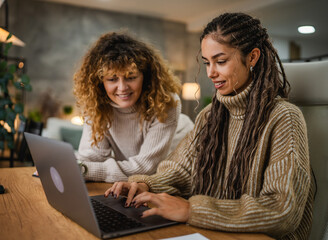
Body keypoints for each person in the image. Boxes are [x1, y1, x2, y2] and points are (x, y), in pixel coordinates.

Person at [104, 13, 314, 239]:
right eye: (207, 62)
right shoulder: (209, 116)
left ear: (252, 57)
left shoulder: (284, 117)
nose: (210, 73)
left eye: (221, 61)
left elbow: (282, 210)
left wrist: (192, 210)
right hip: (212, 231)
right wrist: (145, 185)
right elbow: (180, 171)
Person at [73, 32, 182, 182]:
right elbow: (91, 157)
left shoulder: (166, 102)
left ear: (145, 76)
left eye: (131, 77)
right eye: (112, 79)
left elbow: (146, 168)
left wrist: (83, 170)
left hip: (170, 178)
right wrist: (69, 166)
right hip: (134, 183)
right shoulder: (96, 104)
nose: (122, 87)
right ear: (100, 82)